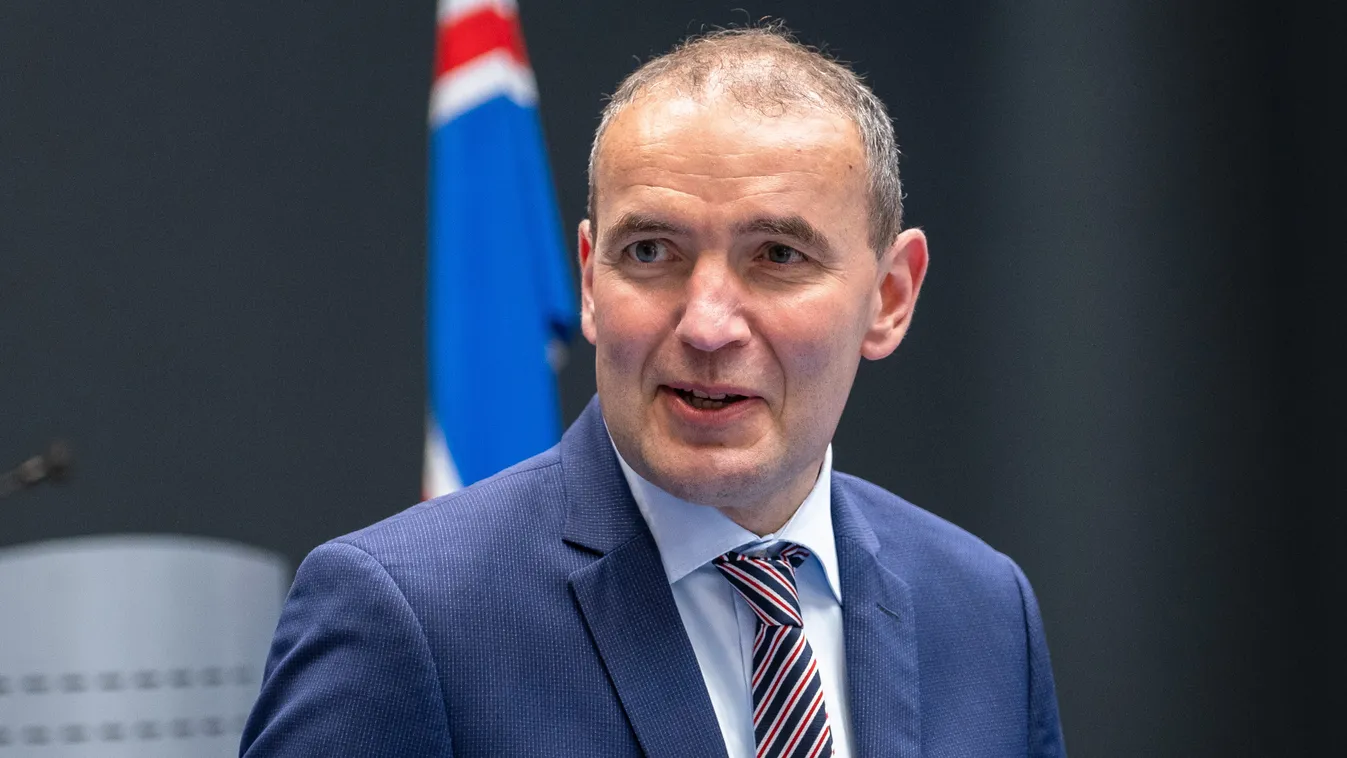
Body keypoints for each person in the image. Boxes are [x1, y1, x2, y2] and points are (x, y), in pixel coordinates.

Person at [241, 25, 1065, 758]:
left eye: (777, 255)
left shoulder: (984, 608)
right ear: (590, 283)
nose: (707, 325)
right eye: (650, 253)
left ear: (889, 297)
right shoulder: (406, 617)